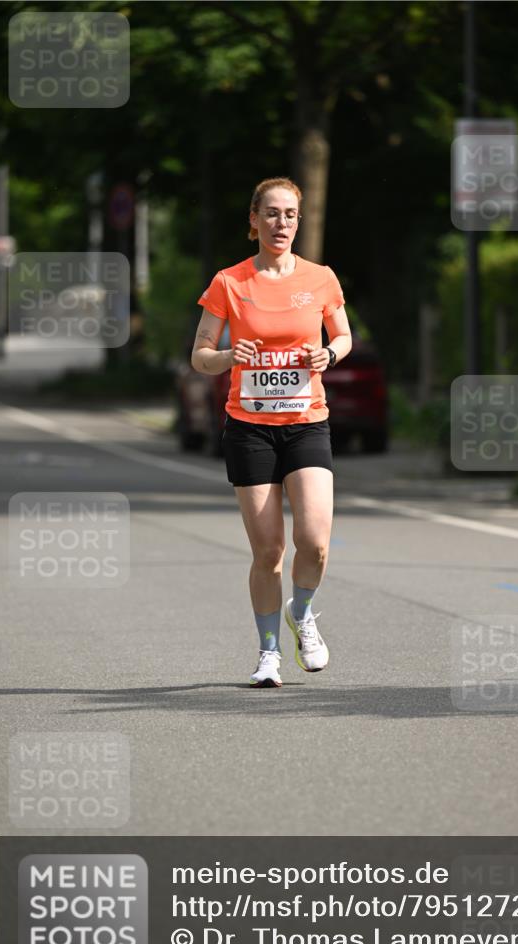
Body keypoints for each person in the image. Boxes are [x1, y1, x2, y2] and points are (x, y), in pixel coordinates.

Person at [192, 177, 352, 688]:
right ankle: (268, 654)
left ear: (298, 222)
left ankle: (301, 613)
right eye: (272, 214)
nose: (282, 223)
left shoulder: (321, 278)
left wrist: (328, 353)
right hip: (250, 429)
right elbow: (199, 355)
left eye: (290, 215)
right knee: (268, 552)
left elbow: (344, 335)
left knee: (316, 542)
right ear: (254, 220)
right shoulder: (229, 282)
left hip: (306, 423)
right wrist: (225, 356)